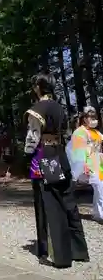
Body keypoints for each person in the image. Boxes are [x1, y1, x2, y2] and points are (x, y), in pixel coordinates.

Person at [25, 73, 89, 268]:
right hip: (61, 155)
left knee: (47, 203)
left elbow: (32, 139)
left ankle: (54, 253)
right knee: (68, 201)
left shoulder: (36, 110)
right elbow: (67, 133)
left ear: (38, 87)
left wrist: (28, 154)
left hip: (43, 156)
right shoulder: (60, 108)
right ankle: (78, 250)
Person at [67, 106, 103, 223]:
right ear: (84, 118)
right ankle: (100, 214)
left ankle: (98, 213)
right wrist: (83, 165)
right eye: (90, 117)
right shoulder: (79, 132)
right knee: (99, 186)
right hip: (87, 163)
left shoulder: (97, 132)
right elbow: (77, 151)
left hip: (98, 163)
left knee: (100, 188)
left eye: (94, 117)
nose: (93, 119)